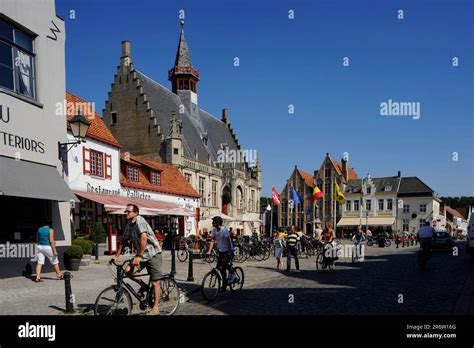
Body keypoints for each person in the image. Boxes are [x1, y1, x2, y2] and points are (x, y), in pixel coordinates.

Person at [112, 204, 163, 315]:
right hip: (142, 255)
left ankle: (156, 308)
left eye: (129, 211)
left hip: (152, 253)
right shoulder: (129, 224)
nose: (127, 213)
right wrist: (117, 256)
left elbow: (143, 238)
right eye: (126, 211)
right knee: (128, 271)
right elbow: (124, 241)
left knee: (155, 282)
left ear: (136, 213)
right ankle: (144, 286)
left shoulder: (140, 221)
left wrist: (139, 256)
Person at [207, 216, 234, 291]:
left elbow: (228, 241)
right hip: (221, 251)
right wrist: (209, 251)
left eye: (214, 222)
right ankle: (224, 285)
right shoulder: (214, 230)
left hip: (228, 250)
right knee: (220, 268)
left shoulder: (224, 230)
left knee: (224, 265)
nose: (212, 223)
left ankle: (232, 273)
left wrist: (229, 251)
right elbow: (212, 241)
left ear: (218, 223)